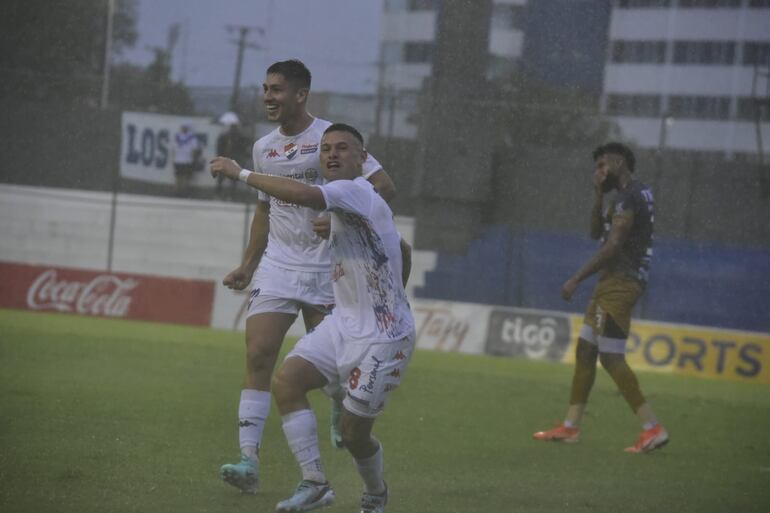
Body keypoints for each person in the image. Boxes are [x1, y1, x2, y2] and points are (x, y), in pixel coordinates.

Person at [211, 122, 415, 513]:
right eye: (325, 150)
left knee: (356, 436)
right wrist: (395, 289)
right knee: (287, 383)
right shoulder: (349, 203)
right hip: (343, 324)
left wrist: (241, 173)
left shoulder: (355, 190)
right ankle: (315, 482)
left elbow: (305, 194)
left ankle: (375, 492)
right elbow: (403, 249)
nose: (332, 154)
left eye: (343, 148)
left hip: (382, 338)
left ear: (362, 158)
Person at [533, 142, 668, 454]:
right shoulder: (621, 198)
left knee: (610, 356)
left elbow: (612, 245)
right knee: (585, 350)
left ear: (619, 162)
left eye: (603, 165)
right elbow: (596, 233)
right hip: (612, 282)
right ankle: (570, 427)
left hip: (621, 282)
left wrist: (576, 279)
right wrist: (597, 194)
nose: (599, 172)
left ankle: (653, 428)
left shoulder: (631, 196)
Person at [215, 112, 251, 200]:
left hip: (235, 159)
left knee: (233, 178)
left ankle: (231, 195)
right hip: (225, 158)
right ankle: (219, 195)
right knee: (221, 178)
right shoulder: (224, 136)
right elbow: (219, 147)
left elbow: (244, 148)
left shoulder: (240, 137)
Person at [171, 123, 201, 196]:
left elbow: (194, 150)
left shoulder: (191, 138)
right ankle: (177, 192)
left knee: (185, 177)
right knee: (179, 177)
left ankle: (183, 192)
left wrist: (194, 159)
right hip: (178, 160)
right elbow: (173, 149)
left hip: (187, 160)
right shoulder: (177, 136)